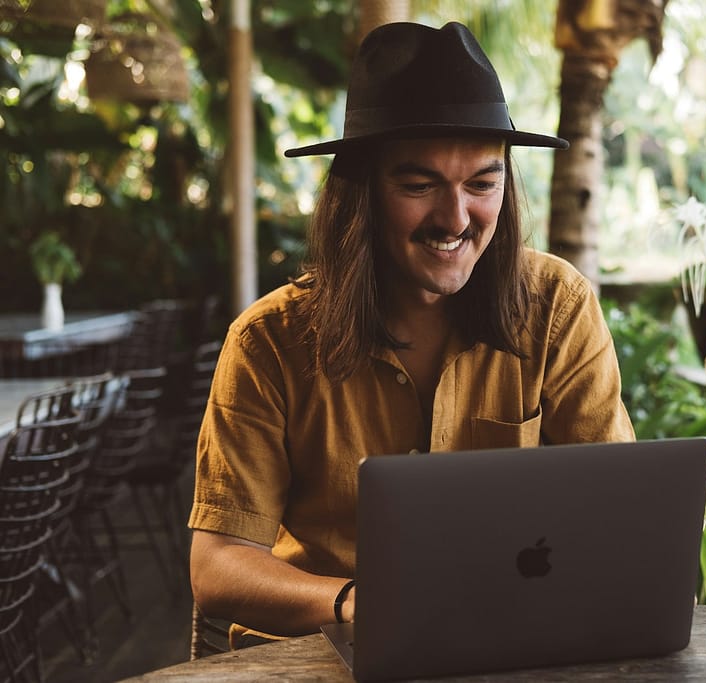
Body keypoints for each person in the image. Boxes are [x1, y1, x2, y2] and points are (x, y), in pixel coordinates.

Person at [188, 20, 635, 645]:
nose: (455, 219)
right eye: (419, 185)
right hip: (318, 653)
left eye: (482, 183)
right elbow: (217, 568)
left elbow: (615, 515)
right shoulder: (267, 342)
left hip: (504, 644)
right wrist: (362, 605)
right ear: (362, 192)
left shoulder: (556, 308)